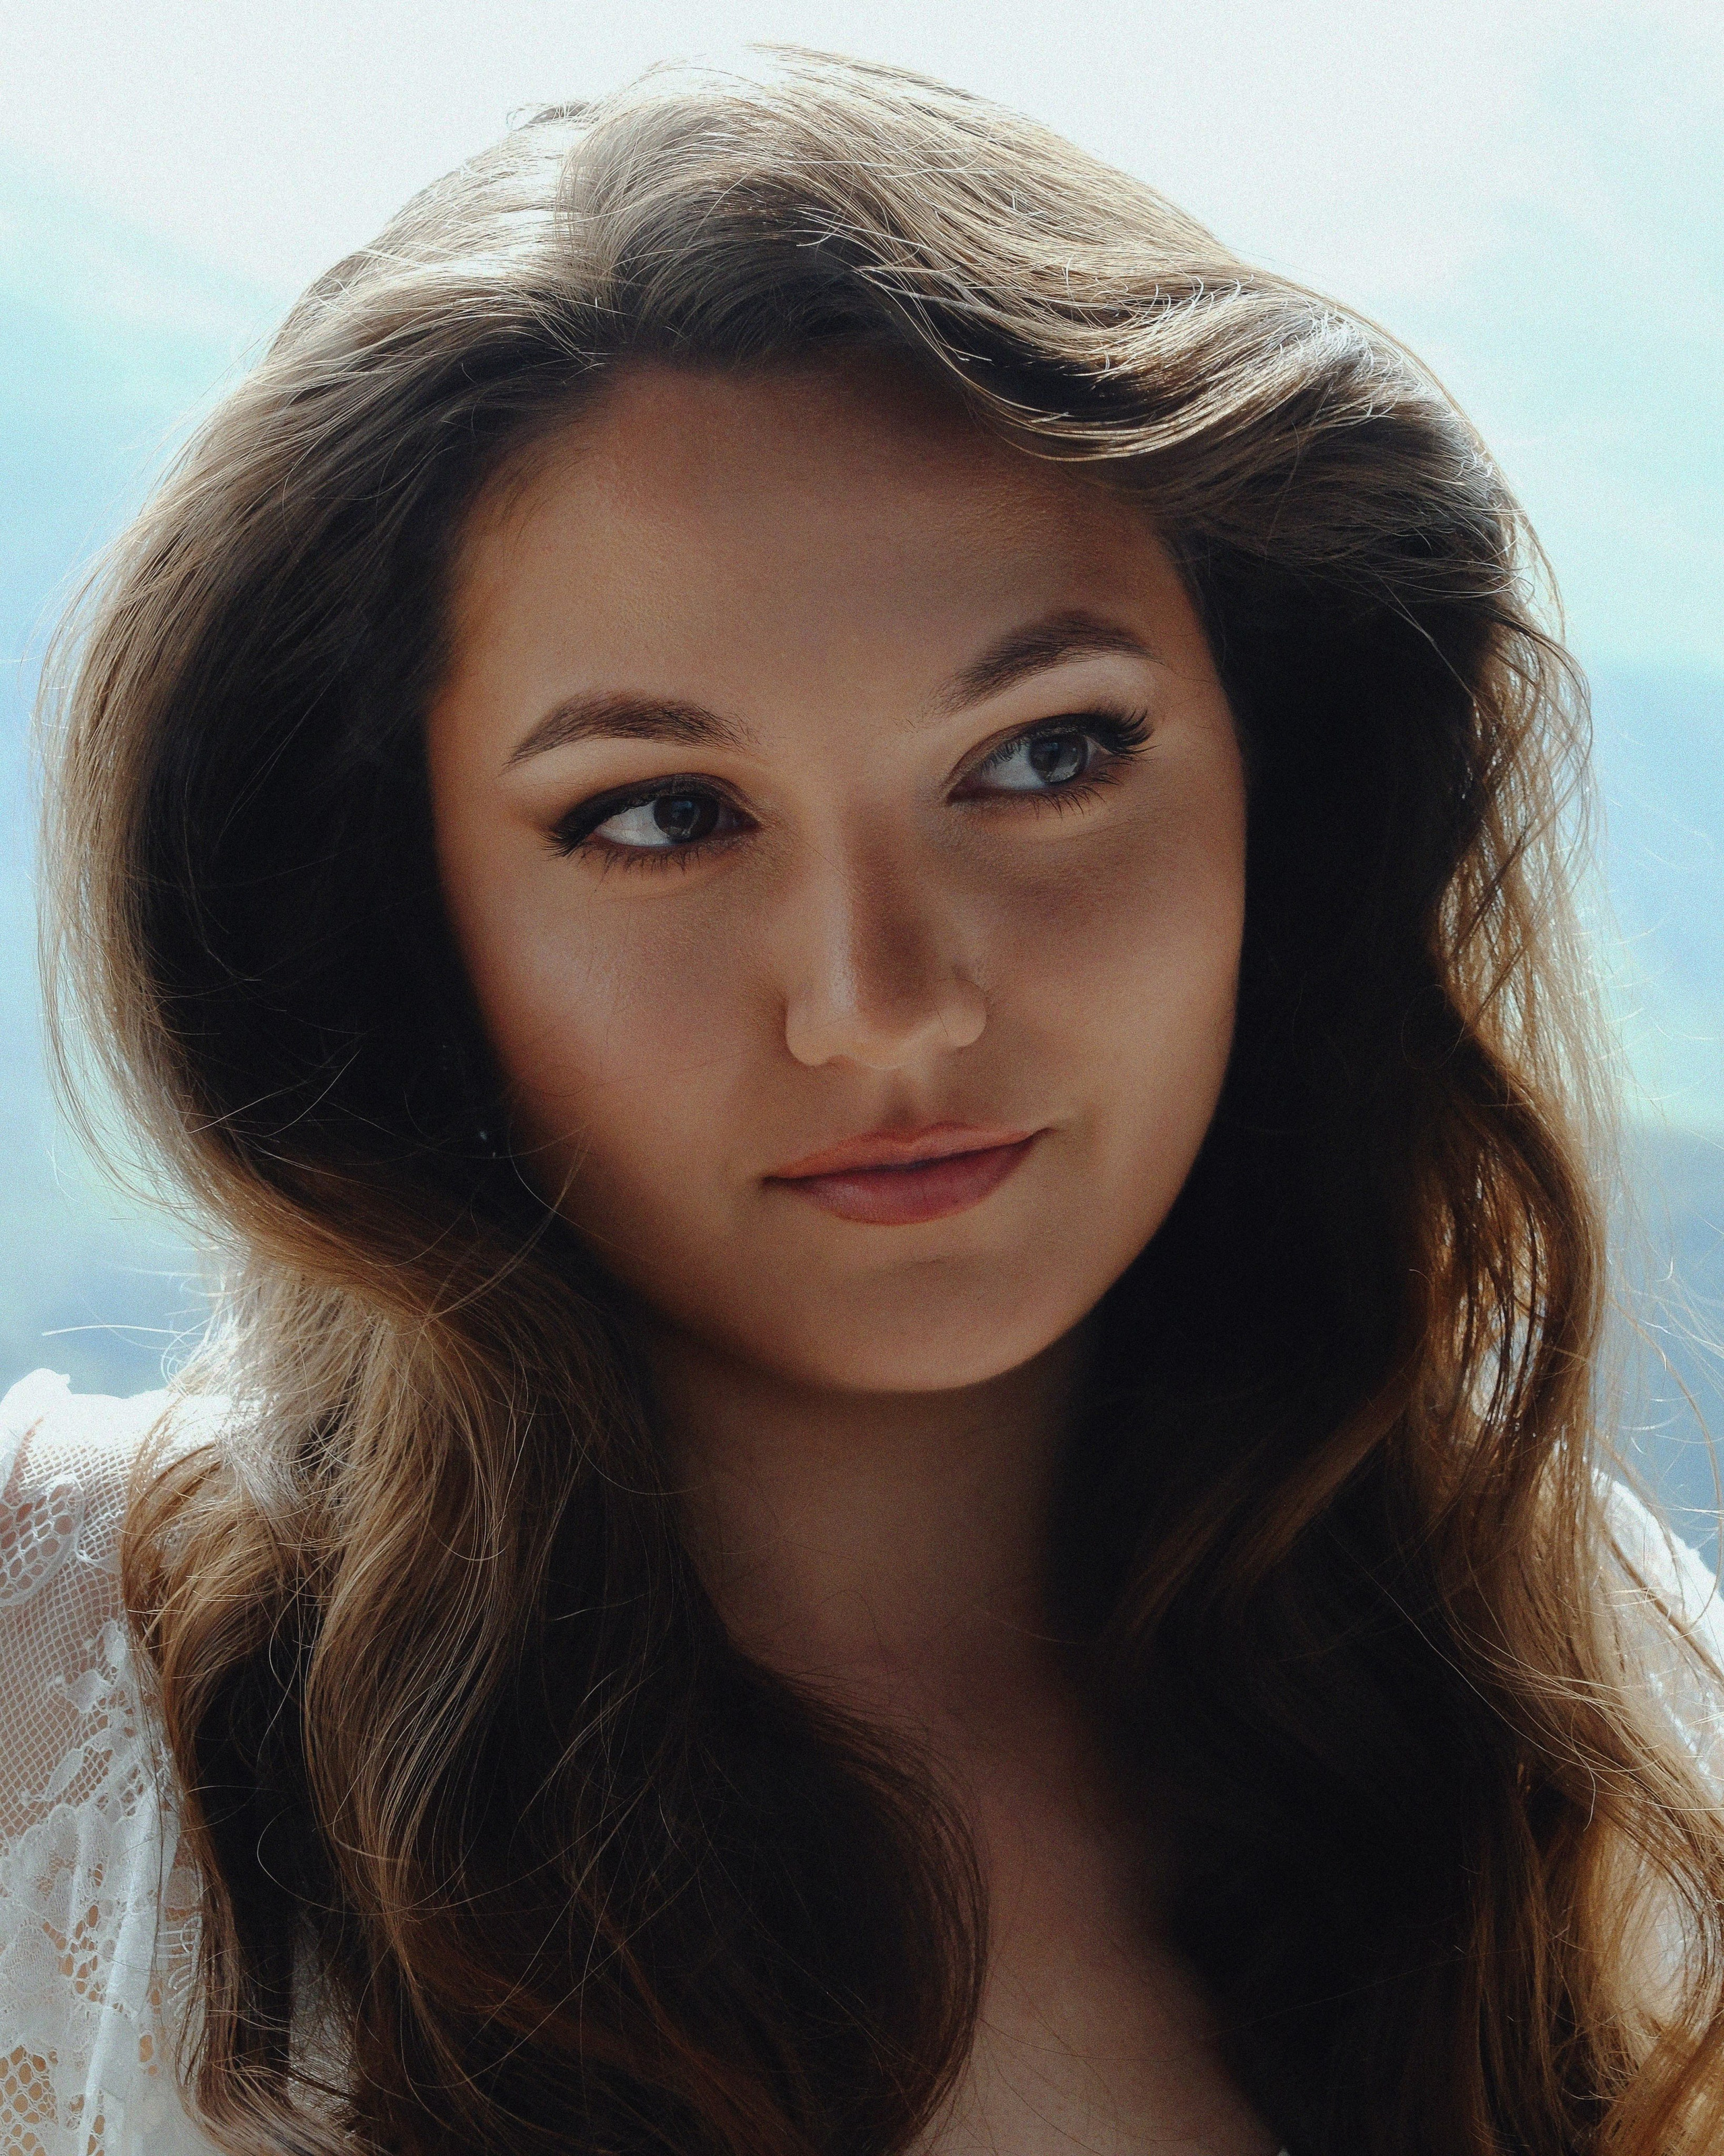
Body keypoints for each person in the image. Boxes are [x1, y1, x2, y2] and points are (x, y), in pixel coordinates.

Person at [2, 49, 1721, 2156]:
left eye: (1046, 757)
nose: (881, 1003)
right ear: (390, 900)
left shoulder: (1579, 1720)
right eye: (660, 813)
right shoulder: (60, 1670)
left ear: (1292, 782)